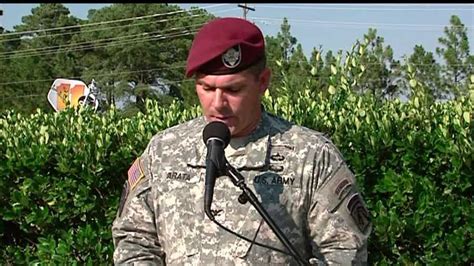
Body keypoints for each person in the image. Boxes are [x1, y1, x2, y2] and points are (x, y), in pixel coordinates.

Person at [112, 17, 372, 265]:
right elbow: (133, 239)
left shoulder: (312, 156)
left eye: (233, 90)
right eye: (207, 88)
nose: (217, 104)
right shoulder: (164, 150)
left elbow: (344, 250)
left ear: (263, 82)